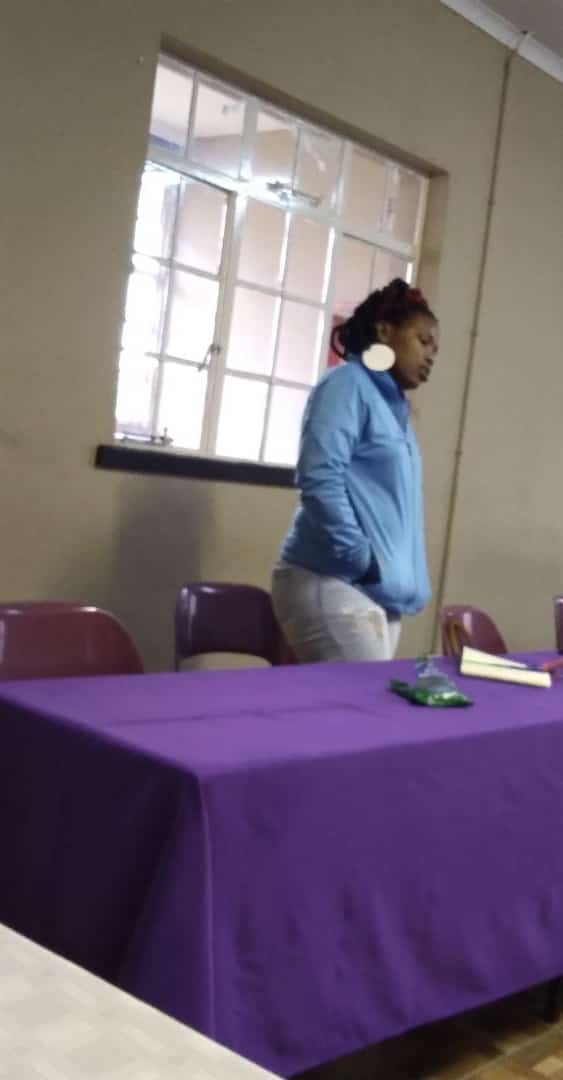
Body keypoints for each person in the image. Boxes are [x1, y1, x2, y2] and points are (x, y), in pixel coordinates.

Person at [271, 277, 439, 663]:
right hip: (331, 581)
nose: (431, 355)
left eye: (435, 349)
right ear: (384, 331)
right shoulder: (347, 384)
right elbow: (319, 477)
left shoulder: (395, 412)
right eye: (423, 340)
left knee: (355, 704)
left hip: (376, 594)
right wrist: (361, 558)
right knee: (368, 705)